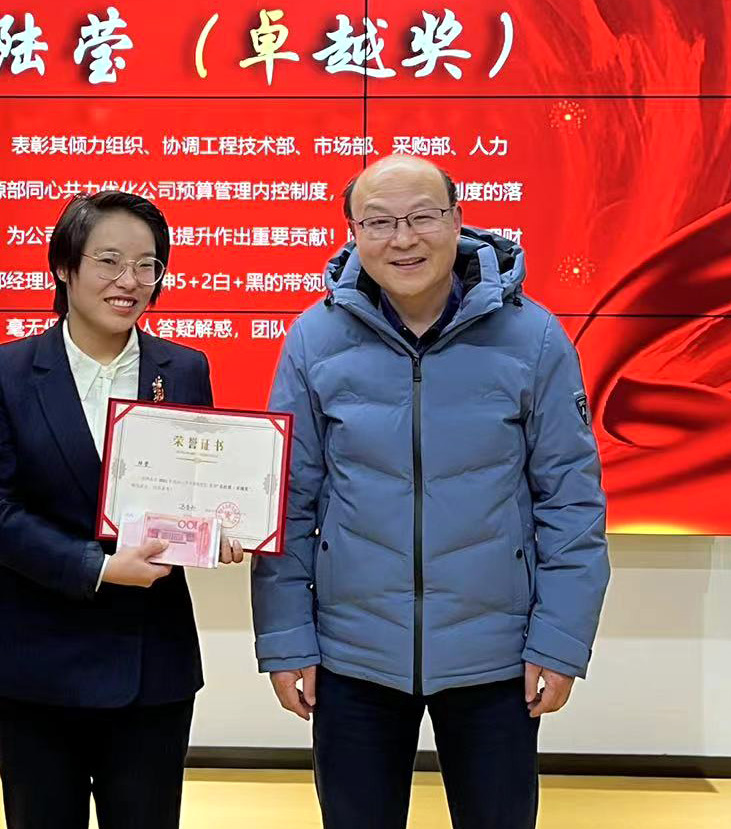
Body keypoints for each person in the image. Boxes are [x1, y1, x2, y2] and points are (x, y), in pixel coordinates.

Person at [250, 154, 610, 829]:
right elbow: (287, 503)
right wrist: (287, 637)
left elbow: (571, 502)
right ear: (353, 232)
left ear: (457, 220)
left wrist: (560, 641)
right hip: (351, 653)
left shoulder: (533, 338)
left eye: (422, 217)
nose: (403, 239)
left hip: (495, 655)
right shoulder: (314, 338)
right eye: (379, 222)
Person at [0, 190, 244, 829]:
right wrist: (98, 567)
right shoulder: (5, 372)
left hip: (151, 660)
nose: (130, 281)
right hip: (35, 659)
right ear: (65, 266)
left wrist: (223, 528)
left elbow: (196, 491)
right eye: (109, 261)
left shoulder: (184, 368)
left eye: (147, 265)